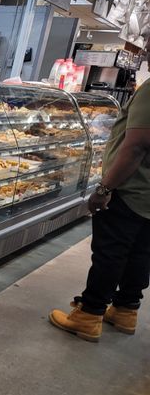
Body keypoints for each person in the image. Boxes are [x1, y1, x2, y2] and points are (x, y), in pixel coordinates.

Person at [49, 80, 150, 342]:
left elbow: (137, 145)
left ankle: (88, 316)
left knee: (110, 253)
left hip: (131, 188)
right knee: (140, 252)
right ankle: (125, 310)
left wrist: (105, 189)